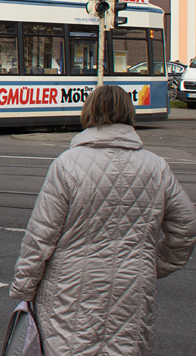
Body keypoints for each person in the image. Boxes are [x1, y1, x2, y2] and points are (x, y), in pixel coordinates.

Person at [10, 84, 196, 355]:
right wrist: (153, 264)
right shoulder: (157, 167)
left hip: (71, 288)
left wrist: (24, 287)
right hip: (132, 287)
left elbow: (41, 236)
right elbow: (186, 226)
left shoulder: (68, 164)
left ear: (89, 112)